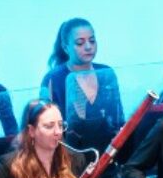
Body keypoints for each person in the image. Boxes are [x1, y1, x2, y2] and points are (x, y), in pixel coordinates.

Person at [40, 17, 126, 153]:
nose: (88, 47)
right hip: (71, 154)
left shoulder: (106, 73)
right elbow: (47, 127)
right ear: (65, 47)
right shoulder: (53, 78)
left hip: (109, 151)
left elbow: (118, 117)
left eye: (92, 41)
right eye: (80, 43)